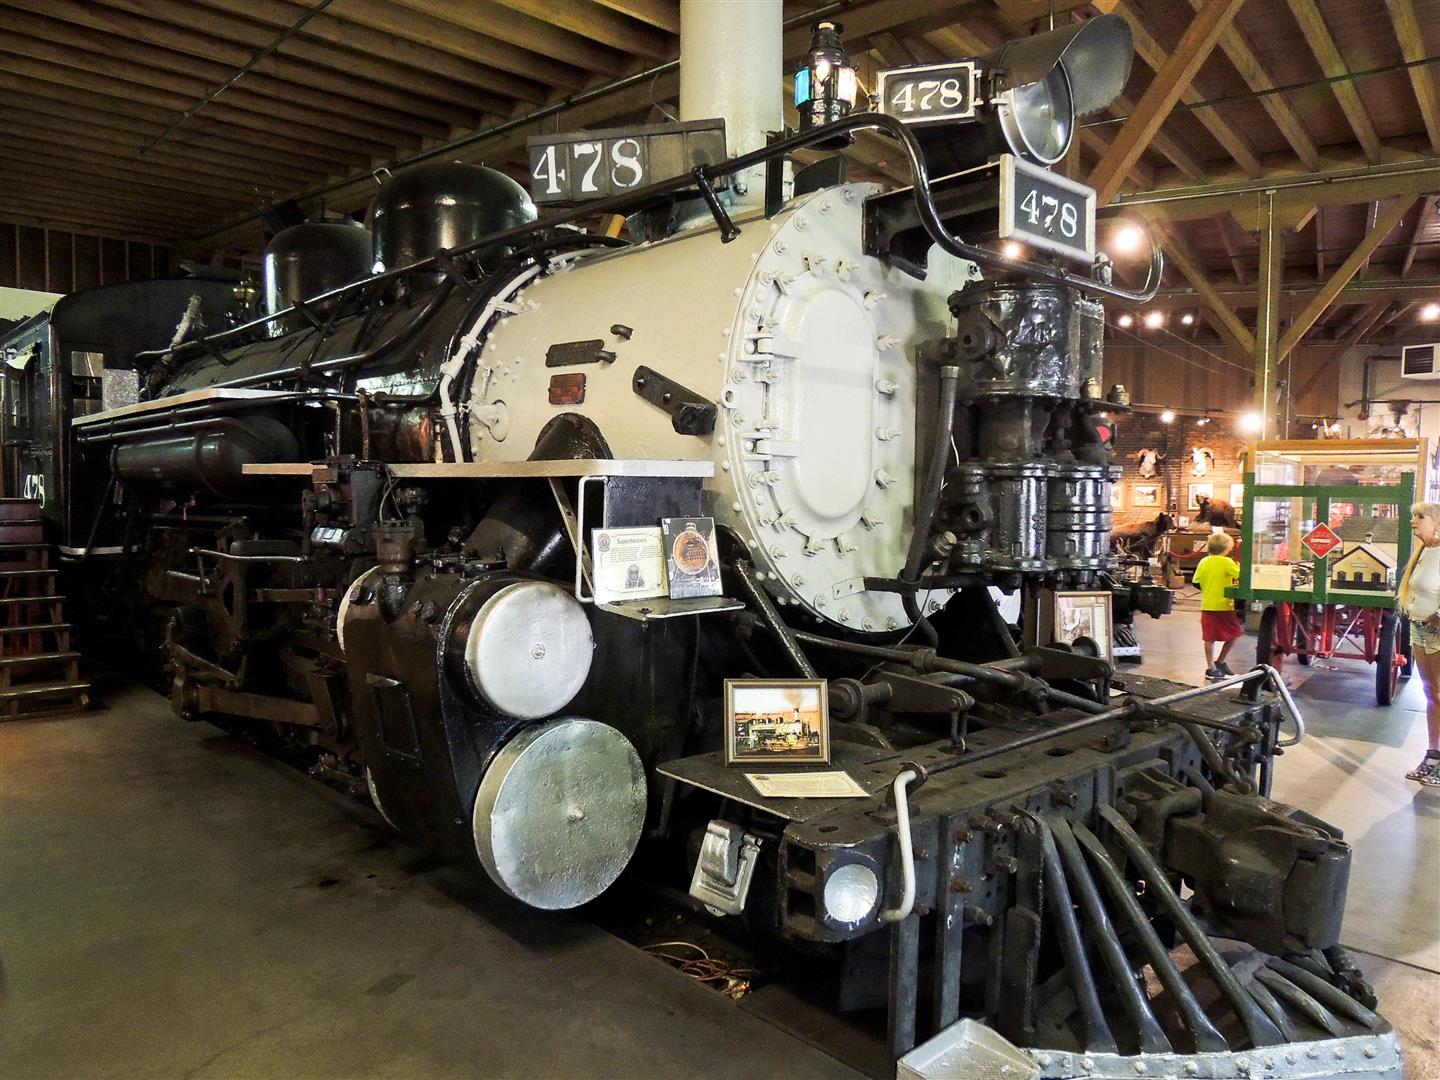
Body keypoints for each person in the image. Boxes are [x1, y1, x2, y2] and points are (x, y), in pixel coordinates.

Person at [1395, 501, 1440, 786]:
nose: (1413, 521)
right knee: (1431, 694)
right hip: (1420, 630)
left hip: (1436, 632)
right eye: (1413, 516)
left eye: (1420, 517)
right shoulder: (1425, 552)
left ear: (1437, 522)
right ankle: (1433, 757)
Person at [1192, 531, 1242, 681]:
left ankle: (1212, 666)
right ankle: (1218, 662)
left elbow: (1196, 582)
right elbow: (1240, 575)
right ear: (1226, 548)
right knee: (1234, 634)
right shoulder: (1226, 562)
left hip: (1207, 605)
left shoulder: (1204, 561)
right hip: (1224, 605)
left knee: (1209, 638)